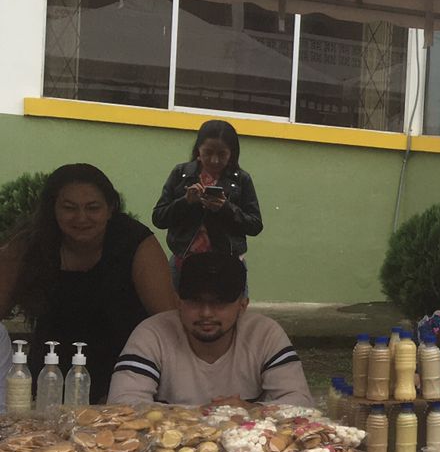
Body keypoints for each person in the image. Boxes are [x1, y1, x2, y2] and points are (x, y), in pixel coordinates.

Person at [0, 164, 178, 401]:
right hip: (48, 380)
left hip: (125, 382)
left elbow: (167, 320)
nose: (81, 217)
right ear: (52, 209)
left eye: (93, 208)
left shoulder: (136, 243)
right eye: (69, 208)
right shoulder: (29, 244)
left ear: (110, 208)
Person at [108, 252, 312, 408]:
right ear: (178, 302)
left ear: (242, 305)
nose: (206, 312)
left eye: (219, 302)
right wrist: (200, 416)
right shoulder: (152, 334)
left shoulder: (264, 334)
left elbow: (301, 403)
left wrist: (251, 410)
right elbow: (122, 405)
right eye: (195, 301)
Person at [151, 120, 263, 286]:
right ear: (198, 150)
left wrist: (226, 208)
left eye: (222, 154)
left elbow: (255, 225)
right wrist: (185, 202)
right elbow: (159, 218)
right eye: (208, 152)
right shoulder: (181, 173)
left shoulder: (241, 179)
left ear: (231, 154)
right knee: (176, 303)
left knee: (228, 303)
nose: (214, 160)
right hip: (184, 262)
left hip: (228, 264)